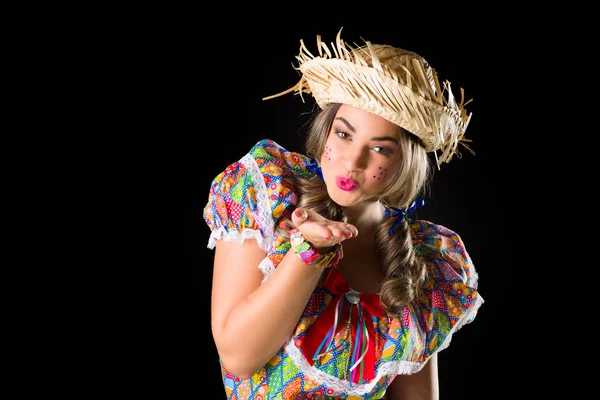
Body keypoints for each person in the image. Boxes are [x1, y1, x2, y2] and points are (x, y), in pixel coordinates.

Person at [203, 28, 483, 400]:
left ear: (407, 163)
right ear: (327, 130)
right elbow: (239, 357)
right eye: (344, 134)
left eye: (381, 149)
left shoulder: (427, 262)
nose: (352, 162)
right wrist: (309, 253)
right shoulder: (264, 192)